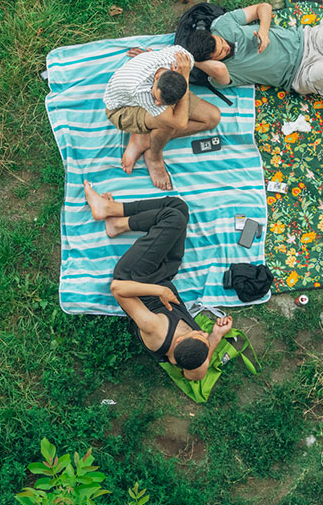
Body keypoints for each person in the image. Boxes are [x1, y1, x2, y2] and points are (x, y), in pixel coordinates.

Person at [82, 183, 231, 379]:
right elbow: (198, 373)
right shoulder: (188, 357)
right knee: (179, 207)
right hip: (164, 276)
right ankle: (116, 224)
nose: (204, 333)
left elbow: (117, 288)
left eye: (200, 334)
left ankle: (107, 209)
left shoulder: (154, 328)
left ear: (177, 344)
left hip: (134, 277)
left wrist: (159, 292)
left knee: (173, 218)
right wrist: (216, 336)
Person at [186, 2, 323, 110]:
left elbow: (263, 7)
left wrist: (263, 30)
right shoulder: (220, 73)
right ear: (210, 61)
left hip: (306, 38)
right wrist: (194, 60)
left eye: (221, 43)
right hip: (300, 74)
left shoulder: (222, 26)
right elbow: (219, 70)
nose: (226, 46)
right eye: (222, 52)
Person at [102, 43, 220, 190]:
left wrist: (184, 78)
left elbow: (177, 116)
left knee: (212, 117)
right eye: (156, 98)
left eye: (161, 102)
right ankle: (153, 156)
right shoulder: (142, 90)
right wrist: (184, 79)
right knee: (168, 124)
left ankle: (145, 137)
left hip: (165, 87)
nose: (157, 103)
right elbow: (180, 123)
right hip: (121, 109)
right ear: (156, 77)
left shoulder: (184, 59)